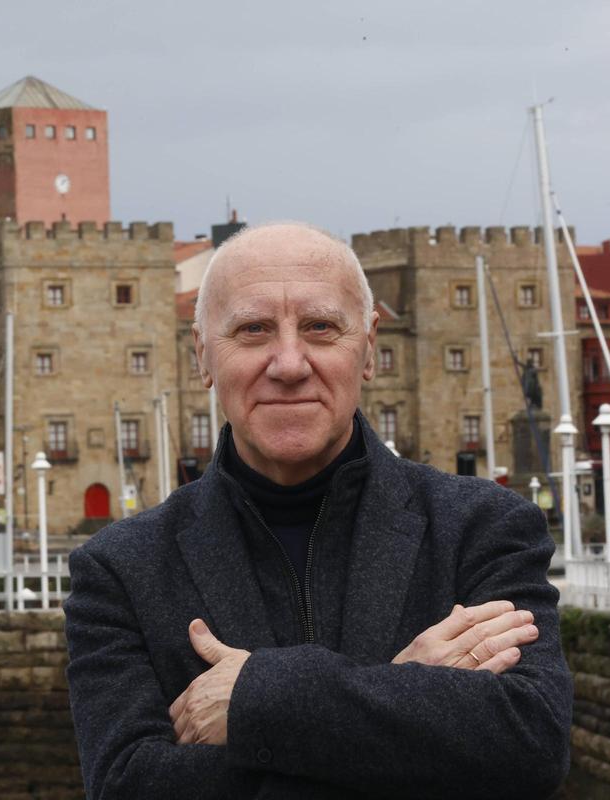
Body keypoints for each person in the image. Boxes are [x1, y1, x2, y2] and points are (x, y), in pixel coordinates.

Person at [63, 222, 572, 798]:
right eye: (253, 330)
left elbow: (530, 743)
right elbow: (130, 786)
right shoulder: (120, 571)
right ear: (202, 356)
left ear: (370, 349)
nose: (289, 363)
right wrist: (406, 697)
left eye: (320, 328)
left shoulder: (484, 529)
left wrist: (259, 699)